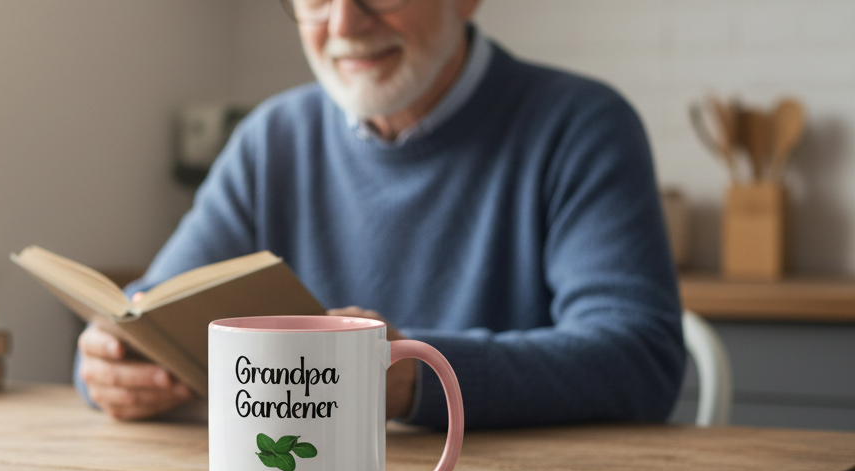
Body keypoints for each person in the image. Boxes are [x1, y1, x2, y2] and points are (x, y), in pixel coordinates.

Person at [76, 0, 685, 427]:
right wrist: (109, 364)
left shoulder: (582, 127)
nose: (343, 22)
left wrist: (414, 376)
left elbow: (639, 358)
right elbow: (151, 308)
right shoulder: (272, 140)